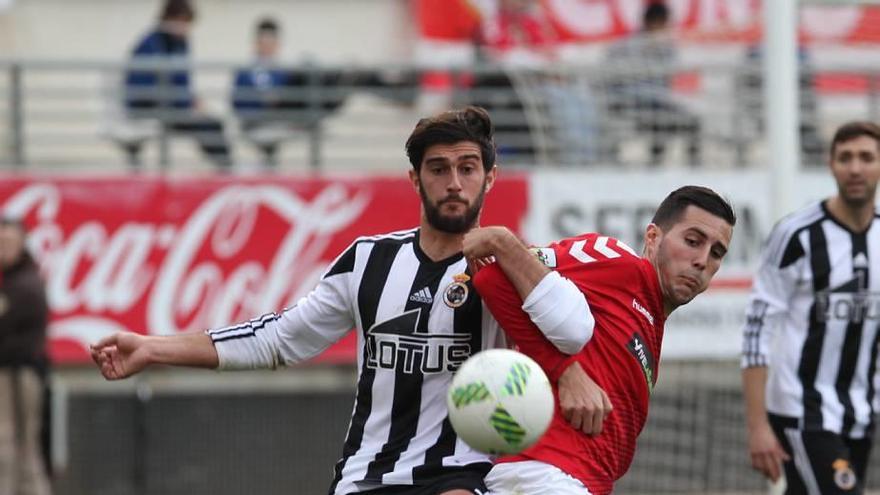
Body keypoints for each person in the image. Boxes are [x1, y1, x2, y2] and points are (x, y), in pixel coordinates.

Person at [91, 105, 607, 495]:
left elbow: (573, 328)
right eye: (438, 168)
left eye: (468, 168)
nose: (454, 183)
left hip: (459, 474)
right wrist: (153, 348)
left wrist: (507, 247)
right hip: (367, 476)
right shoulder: (369, 261)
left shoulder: (513, 265)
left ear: (489, 178)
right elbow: (278, 339)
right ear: (415, 179)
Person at [460, 185, 736, 494]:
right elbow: (494, 274)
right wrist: (565, 372)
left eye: (716, 253)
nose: (701, 260)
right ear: (653, 238)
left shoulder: (650, 321)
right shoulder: (618, 262)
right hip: (545, 475)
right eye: (692, 241)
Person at [742, 121, 880, 495]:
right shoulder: (797, 235)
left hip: (860, 413)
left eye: (866, 157)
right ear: (830, 164)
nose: (855, 168)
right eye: (845, 158)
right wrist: (757, 426)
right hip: (801, 410)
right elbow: (757, 329)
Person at [126, 0, 232, 169]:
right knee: (207, 125)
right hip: (152, 108)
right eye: (181, 21)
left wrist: (192, 100)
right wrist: (183, 104)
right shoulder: (150, 44)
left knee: (213, 122)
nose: (184, 28)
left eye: (187, 23)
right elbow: (143, 87)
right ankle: (226, 169)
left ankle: (225, 169)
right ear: (168, 19)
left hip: (175, 107)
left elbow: (183, 81)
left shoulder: (181, 43)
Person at [604, 3, 701, 167]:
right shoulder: (626, 46)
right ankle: (654, 166)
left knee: (692, 122)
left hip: (658, 104)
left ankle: (694, 167)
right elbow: (613, 79)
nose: (663, 28)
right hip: (633, 103)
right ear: (649, 22)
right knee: (659, 120)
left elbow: (671, 76)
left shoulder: (668, 48)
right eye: (661, 23)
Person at [0, 218, 52, 495]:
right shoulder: (13, 280)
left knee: (16, 445)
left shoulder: (25, 283)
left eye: (7, 242)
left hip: (22, 372)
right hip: (15, 370)